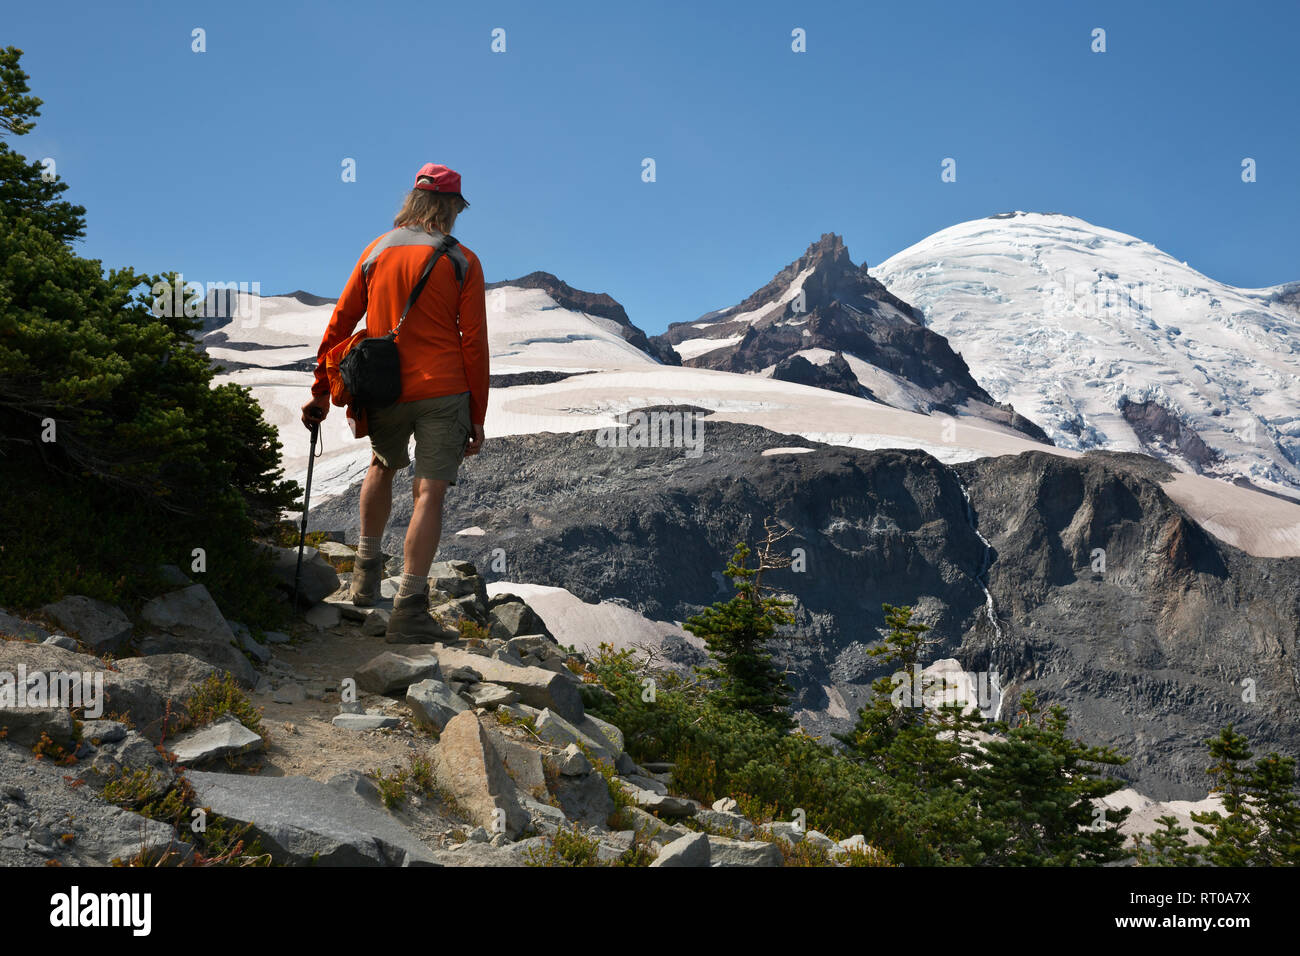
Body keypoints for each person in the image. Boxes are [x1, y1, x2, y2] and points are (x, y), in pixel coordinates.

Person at [300, 163, 488, 642]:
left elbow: (339, 326)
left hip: (383, 386)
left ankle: (364, 578)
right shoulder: (462, 259)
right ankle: (409, 608)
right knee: (429, 492)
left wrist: (321, 392)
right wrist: (477, 417)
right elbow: (474, 345)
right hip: (444, 390)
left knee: (381, 466)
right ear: (449, 206)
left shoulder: (375, 250)